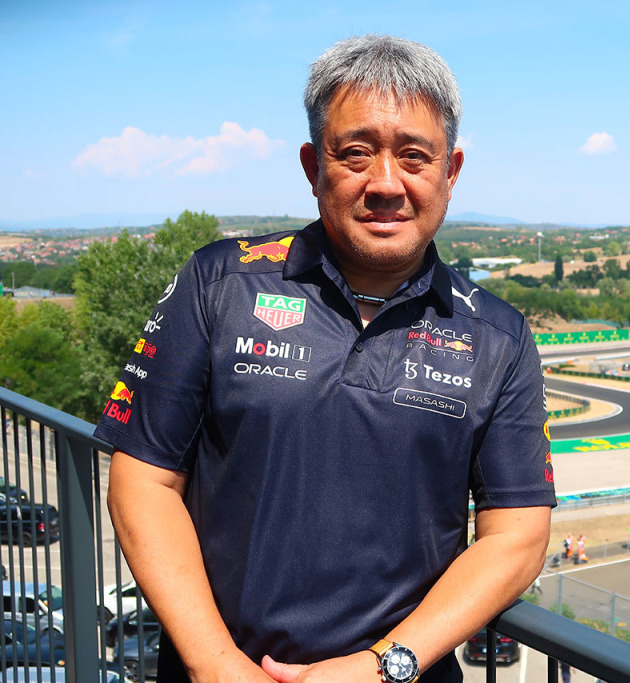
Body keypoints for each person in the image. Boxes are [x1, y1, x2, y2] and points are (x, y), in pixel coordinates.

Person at [98, 34, 555, 683]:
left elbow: (517, 537)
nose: (386, 183)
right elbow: (142, 481)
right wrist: (215, 664)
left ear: (450, 172)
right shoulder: (219, 282)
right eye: (356, 153)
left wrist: (381, 666)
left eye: (415, 156)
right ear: (314, 166)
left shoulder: (499, 335)